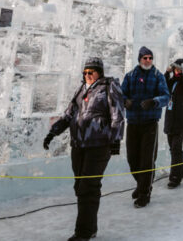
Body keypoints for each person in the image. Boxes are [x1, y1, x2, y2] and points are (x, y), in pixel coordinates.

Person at [43, 57, 124, 241]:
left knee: (88, 186)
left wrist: (115, 139)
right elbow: (68, 114)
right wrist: (52, 133)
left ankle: (83, 232)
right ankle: (91, 227)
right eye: (85, 72)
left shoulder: (109, 87)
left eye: (91, 72)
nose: (87, 75)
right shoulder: (81, 89)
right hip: (78, 145)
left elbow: (117, 114)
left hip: (98, 145)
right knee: (81, 186)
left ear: (99, 72)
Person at [120, 46, 169, 208]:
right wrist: (125, 101)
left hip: (150, 124)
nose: (148, 60)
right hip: (133, 123)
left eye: (150, 58)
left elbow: (166, 96)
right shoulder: (130, 76)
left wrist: (154, 102)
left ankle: (144, 193)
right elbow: (120, 94)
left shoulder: (158, 76)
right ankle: (142, 184)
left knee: (147, 160)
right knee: (133, 159)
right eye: (145, 58)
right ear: (139, 59)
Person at [164, 58, 183, 188]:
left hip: (181, 121)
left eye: (179, 68)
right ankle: (180, 171)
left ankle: (175, 177)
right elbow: (162, 85)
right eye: (176, 68)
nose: (177, 71)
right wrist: (167, 73)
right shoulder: (172, 81)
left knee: (176, 149)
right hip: (170, 120)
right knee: (174, 149)